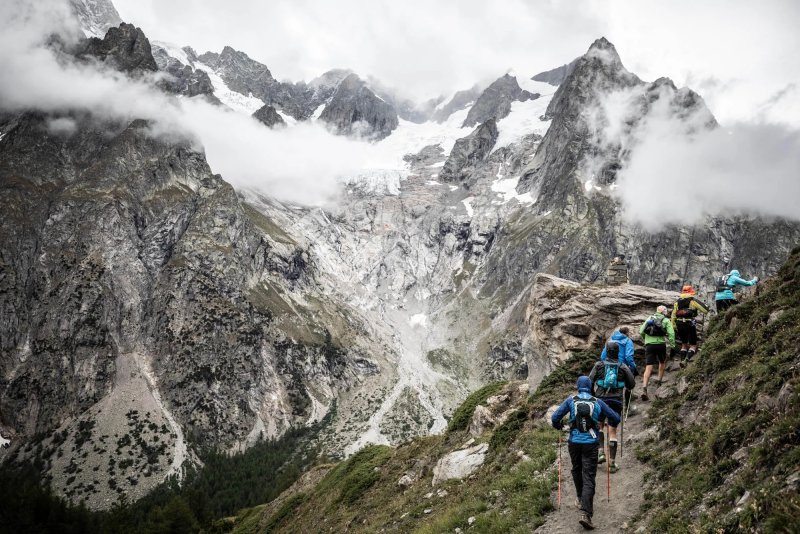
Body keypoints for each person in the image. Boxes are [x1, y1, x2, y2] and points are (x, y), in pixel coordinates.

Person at [551, 376, 621, 530]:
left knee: (576, 469)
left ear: (577, 386)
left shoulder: (571, 400)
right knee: (589, 476)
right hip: (591, 444)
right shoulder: (598, 402)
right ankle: (585, 513)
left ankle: (579, 498)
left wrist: (559, 426)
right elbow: (615, 418)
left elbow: (555, 417)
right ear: (590, 387)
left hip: (574, 442)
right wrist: (611, 423)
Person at [589, 341, 635, 473]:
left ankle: (601, 452)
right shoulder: (623, 366)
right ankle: (612, 464)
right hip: (616, 401)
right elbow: (631, 385)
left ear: (606, 351)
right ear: (618, 352)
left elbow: (589, 381)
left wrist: (593, 394)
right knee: (612, 431)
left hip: (600, 399)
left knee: (599, 425)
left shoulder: (599, 365)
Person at [638, 305, 675, 401]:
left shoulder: (650, 318)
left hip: (649, 345)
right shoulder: (666, 320)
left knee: (648, 366)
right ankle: (659, 382)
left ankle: (644, 388)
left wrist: (646, 339)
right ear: (664, 312)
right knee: (662, 362)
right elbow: (671, 333)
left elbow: (641, 331)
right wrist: (672, 345)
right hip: (661, 344)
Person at [671, 285, 709, 367]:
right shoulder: (692, 301)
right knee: (693, 345)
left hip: (679, 324)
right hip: (689, 323)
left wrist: (673, 325)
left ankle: (681, 361)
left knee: (684, 344)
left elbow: (673, 315)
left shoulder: (677, 302)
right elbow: (705, 310)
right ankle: (686, 361)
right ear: (691, 292)